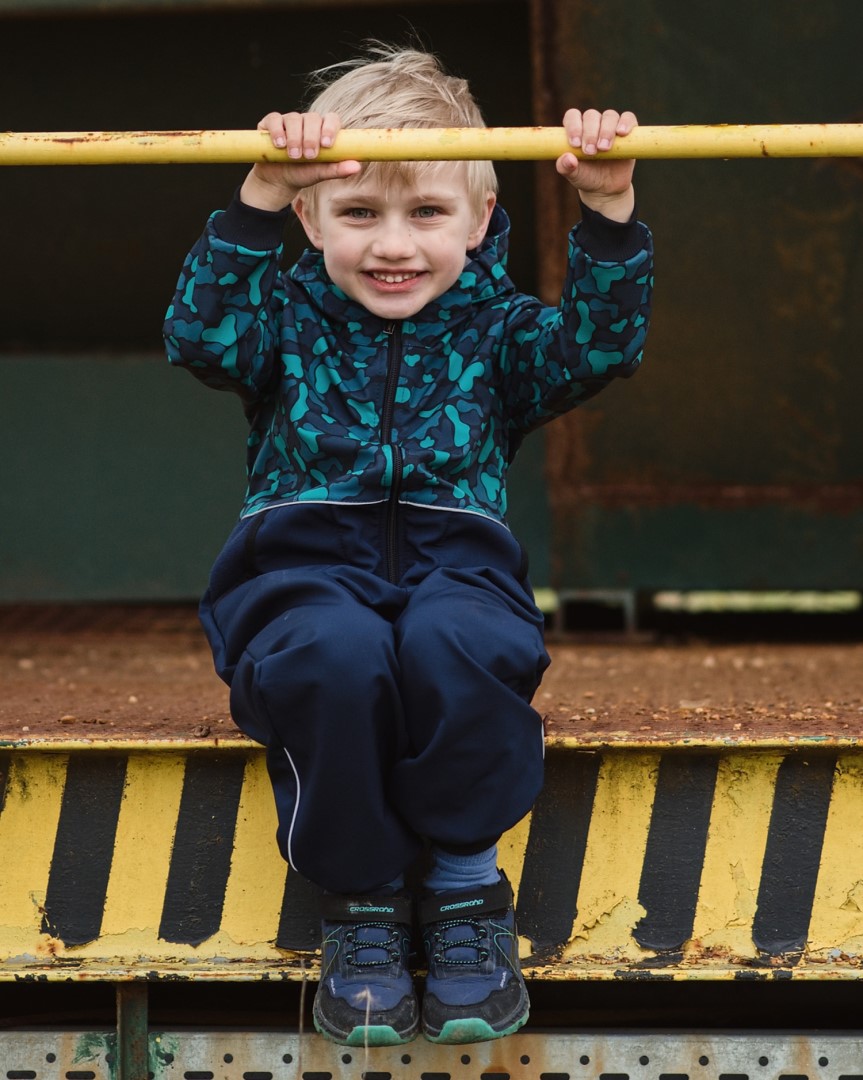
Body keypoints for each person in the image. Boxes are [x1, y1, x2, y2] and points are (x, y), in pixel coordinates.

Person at [164, 45, 652, 1048]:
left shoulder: (498, 331)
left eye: (426, 214)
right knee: (333, 658)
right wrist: (257, 192)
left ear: (478, 221)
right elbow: (201, 338)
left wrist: (604, 211)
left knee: (456, 644)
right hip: (299, 558)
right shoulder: (286, 315)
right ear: (311, 217)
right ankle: (364, 905)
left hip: (454, 554)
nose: (394, 245)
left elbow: (597, 349)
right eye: (358, 214)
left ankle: (467, 892)